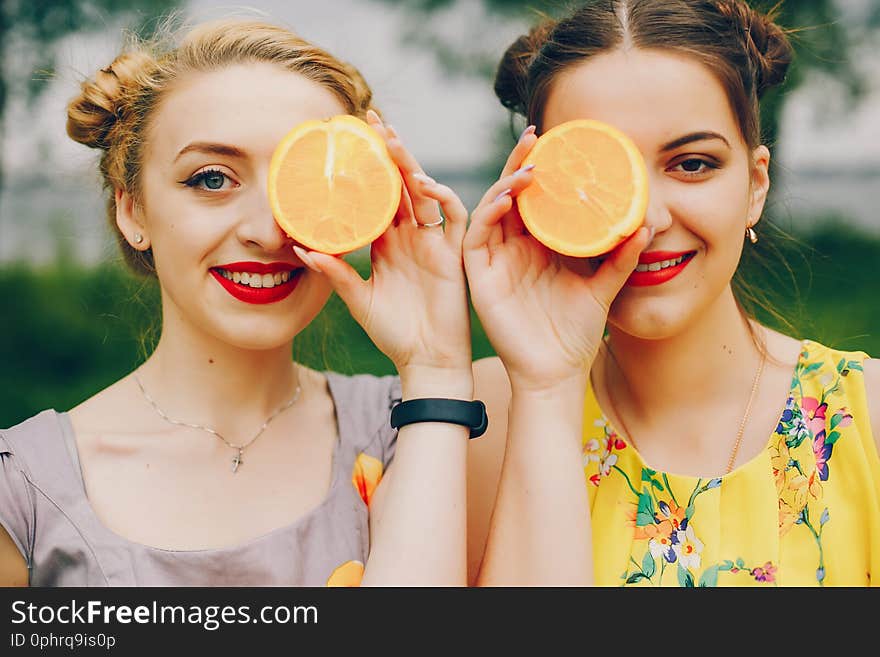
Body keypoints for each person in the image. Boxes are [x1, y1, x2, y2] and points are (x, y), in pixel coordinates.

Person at [0, 18, 478, 586]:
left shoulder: (427, 429)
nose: (268, 231)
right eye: (211, 179)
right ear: (133, 211)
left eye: (310, 183)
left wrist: (435, 369)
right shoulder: (23, 494)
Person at [463, 0, 880, 586]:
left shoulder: (868, 418)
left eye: (691, 164)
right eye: (594, 176)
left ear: (755, 185)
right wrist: (546, 387)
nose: (647, 218)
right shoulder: (482, 416)